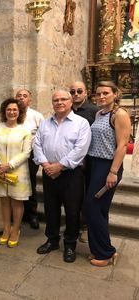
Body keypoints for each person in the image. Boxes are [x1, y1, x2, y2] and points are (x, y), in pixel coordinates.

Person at [34, 89, 91, 263]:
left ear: (70, 102)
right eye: (56, 100)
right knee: (51, 209)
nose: (59, 102)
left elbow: (80, 150)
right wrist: (46, 165)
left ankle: (70, 245)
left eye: (63, 99)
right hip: (49, 172)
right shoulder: (45, 123)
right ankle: (52, 240)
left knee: (72, 211)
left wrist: (59, 166)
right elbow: (37, 144)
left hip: (71, 174)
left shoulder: (81, 123)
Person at [84, 81, 131, 267]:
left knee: (92, 207)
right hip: (94, 164)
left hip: (108, 166)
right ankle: (99, 249)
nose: (101, 96)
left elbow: (122, 145)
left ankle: (106, 252)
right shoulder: (99, 113)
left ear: (115, 94)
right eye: (98, 94)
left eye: (105, 93)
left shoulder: (119, 114)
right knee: (99, 209)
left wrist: (113, 172)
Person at [0, 98, 32, 247]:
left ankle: (16, 230)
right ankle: (6, 229)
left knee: (17, 202)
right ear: (4, 112)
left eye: (15, 110)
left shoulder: (24, 131)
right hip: (0, 171)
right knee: (4, 201)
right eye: (9, 109)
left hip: (17, 171)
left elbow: (26, 153)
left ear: (19, 112)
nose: (12, 112)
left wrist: (9, 165)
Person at [69, 81, 99, 243]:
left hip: (89, 160)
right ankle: (73, 225)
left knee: (87, 194)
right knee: (74, 195)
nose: (76, 94)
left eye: (79, 91)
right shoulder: (66, 110)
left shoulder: (95, 111)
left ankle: (85, 226)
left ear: (86, 93)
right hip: (70, 162)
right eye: (72, 91)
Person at [15, 89, 44, 230]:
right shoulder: (12, 113)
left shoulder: (36, 116)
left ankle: (32, 214)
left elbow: (43, 136)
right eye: (19, 96)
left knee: (30, 183)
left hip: (31, 155)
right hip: (14, 155)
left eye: (24, 96)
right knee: (15, 183)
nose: (21, 98)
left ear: (29, 100)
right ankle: (16, 216)